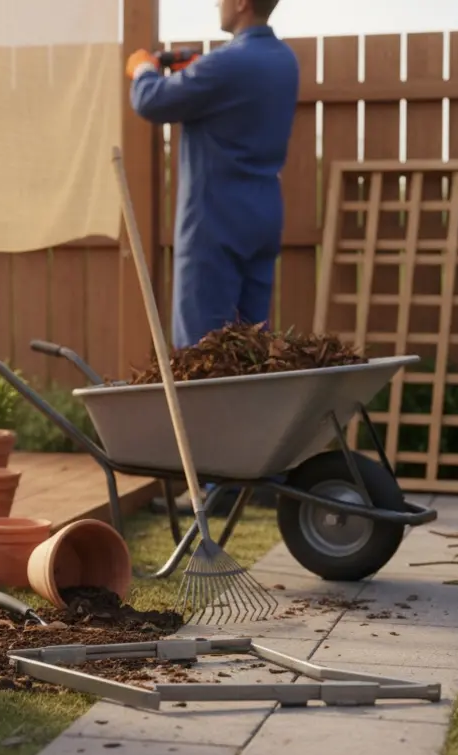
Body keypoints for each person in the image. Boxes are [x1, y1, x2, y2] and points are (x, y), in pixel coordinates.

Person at [125, 0, 299, 516]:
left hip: (214, 221)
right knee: (251, 349)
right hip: (261, 213)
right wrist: (192, 68)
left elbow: (153, 102)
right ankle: (251, 472)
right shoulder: (280, 61)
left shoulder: (230, 65)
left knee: (202, 353)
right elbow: (218, 88)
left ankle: (209, 486)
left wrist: (143, 68)